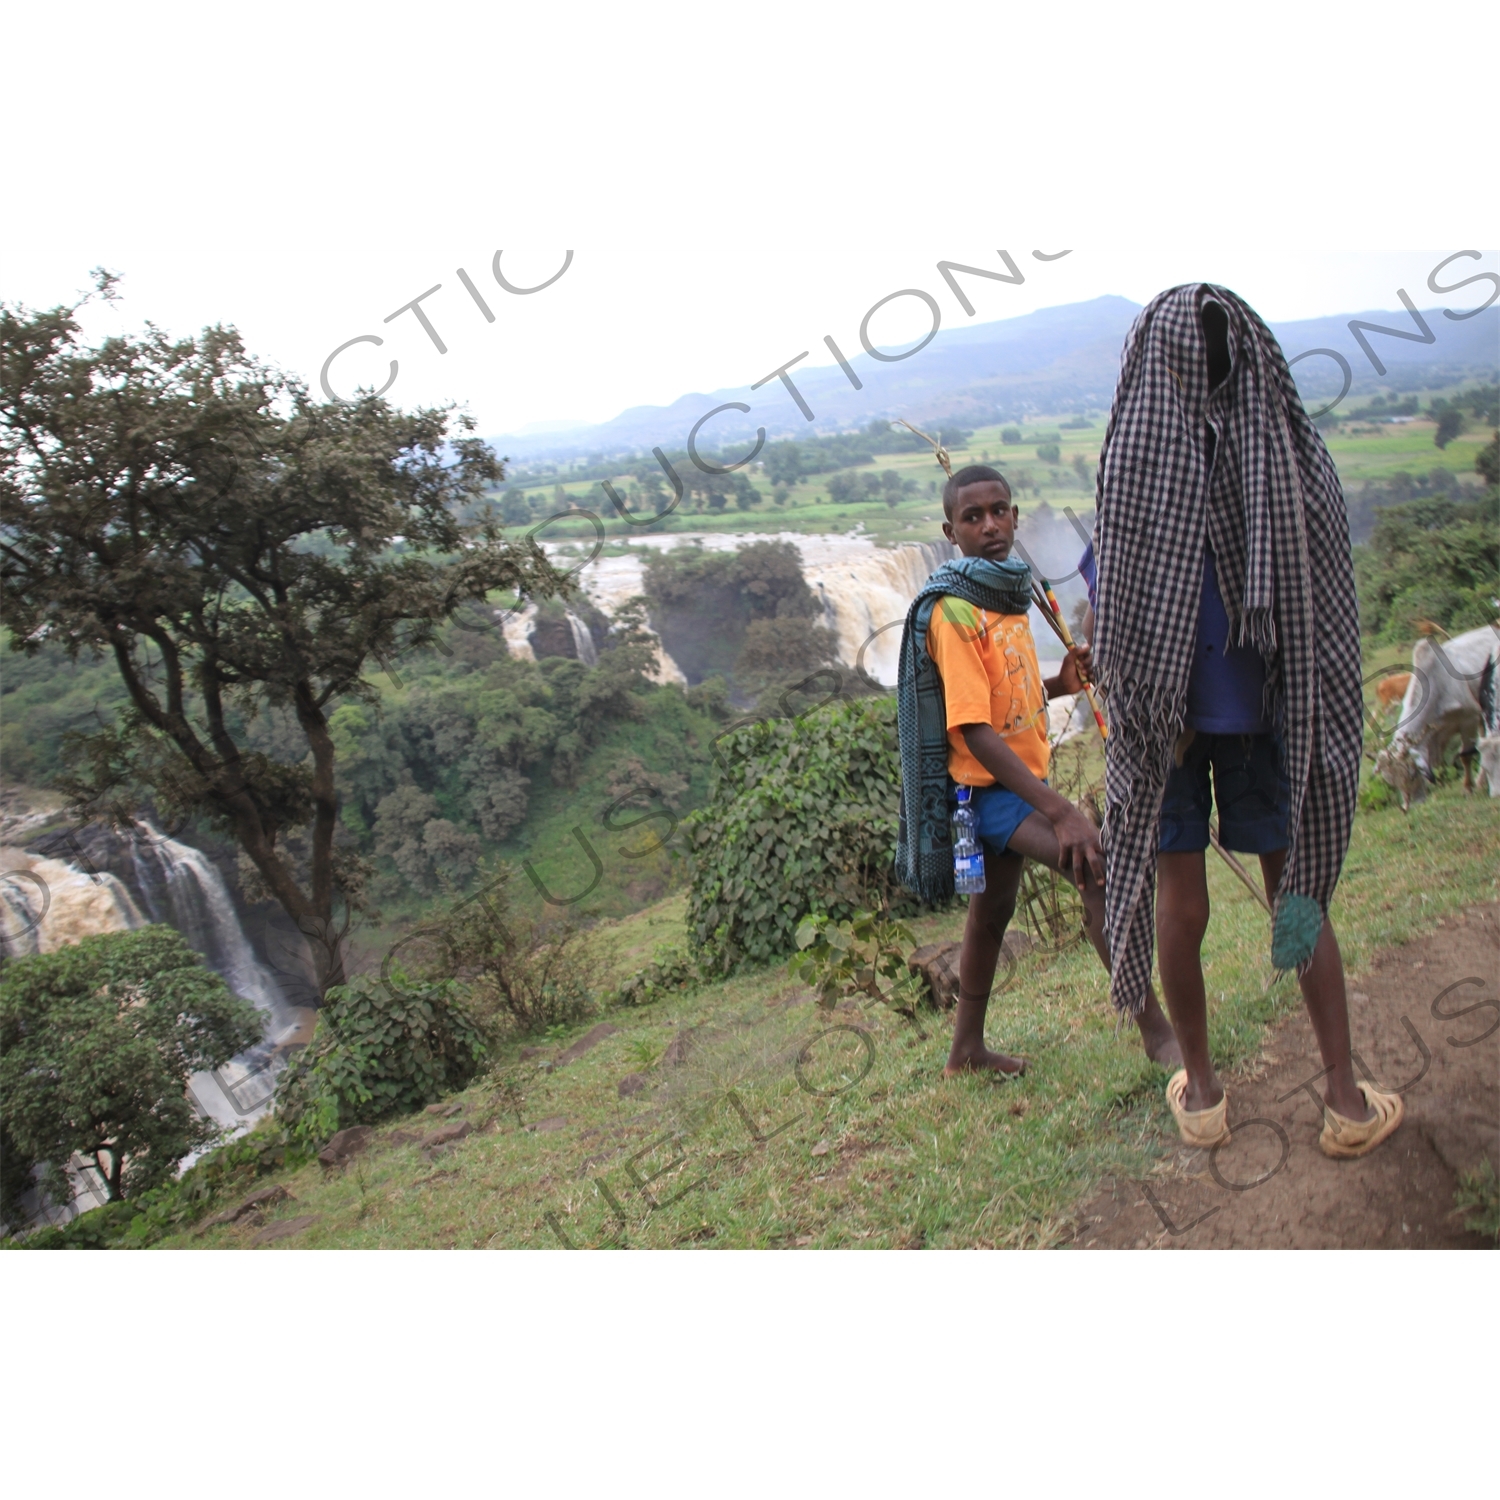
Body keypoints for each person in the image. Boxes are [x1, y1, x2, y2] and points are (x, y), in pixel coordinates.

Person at [1090, 286, 1402, 1157]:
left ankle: (1203, 1091)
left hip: (1164, 729)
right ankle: (1342, 1096)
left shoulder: (1135, 462)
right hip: (1270, 716)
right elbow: (1325, 600)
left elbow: (1110, 599)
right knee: (1294, 888)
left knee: (1180, 905)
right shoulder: (1288, 454)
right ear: (1251, 356)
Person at [894, 463, 1181, 1077]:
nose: (990, 525)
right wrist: (1061, 810)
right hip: (991, 791)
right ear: (952, 531)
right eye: (973, 517)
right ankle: (1155, 1030)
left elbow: (1007, 699)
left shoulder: (1004, 592)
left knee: (992, 914)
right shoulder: (957, 612)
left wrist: (1060, 683)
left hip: (1019, 780)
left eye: (1000, 511)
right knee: (1094, 868)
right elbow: (971, 730)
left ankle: (965, 1051)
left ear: (1016, 517)